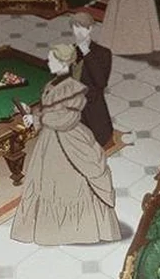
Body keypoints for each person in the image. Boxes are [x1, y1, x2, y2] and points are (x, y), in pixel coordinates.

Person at [10, 42, 121, 245]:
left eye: (52, 60)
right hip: (52, 138)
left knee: (65, 184)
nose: (48, 63)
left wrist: (36, 119)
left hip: (68, 140)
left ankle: (74, 230)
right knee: (47, 184)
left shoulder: (73, 88)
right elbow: (51, 111)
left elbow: (65, 119)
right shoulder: (54, 83)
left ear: (63, 63)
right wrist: (31, 112)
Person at [70, 10, 114, 148]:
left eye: (83, 28)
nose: (79, 32)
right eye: (76, 27)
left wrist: (87, 53)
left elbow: (101, 82)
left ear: (90, 29)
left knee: (96, 139)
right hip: (73, 102)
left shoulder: (103, 53)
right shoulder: (71, 50)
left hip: (92, 103)